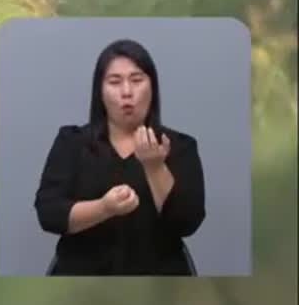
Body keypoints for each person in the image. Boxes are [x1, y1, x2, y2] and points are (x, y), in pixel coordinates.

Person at [33, 38, 206, 275]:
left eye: (137, 80)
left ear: (152, 88)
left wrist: (155, 168)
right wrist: (104, 208)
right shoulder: (72, 142)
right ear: (100, 93)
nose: (127, 92)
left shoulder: (179, 146)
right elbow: (49, 213)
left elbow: (187, 222)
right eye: (115, 82)